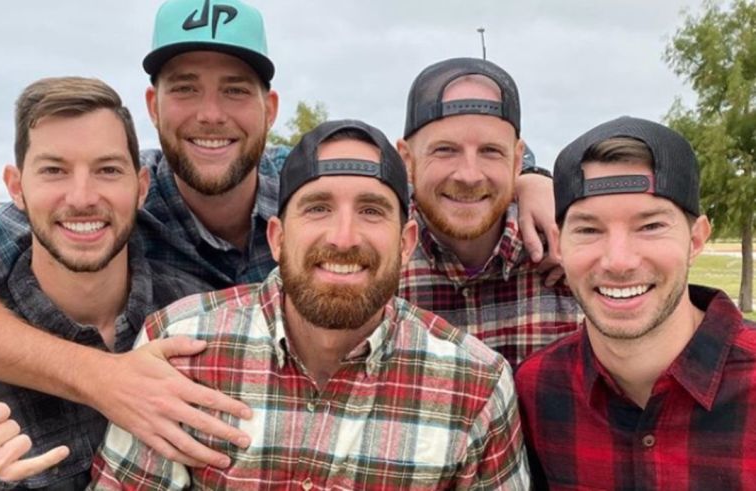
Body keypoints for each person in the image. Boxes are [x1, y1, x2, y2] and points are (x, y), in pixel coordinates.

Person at [0, 0, 554, 468]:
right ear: (154, 105)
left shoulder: (304, 189)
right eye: (186, 88)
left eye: (235, 90)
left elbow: (426, 171)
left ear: (269, 110)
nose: (211, 114)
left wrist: (529, 177)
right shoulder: (107, 201)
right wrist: (101, 376)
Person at [89, 119, 529, 490]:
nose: (343, 237)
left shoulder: (475, 386)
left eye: (372, 211)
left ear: (406, 242)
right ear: (278, 238)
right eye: (318, 208)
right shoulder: (180, 345)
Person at [0, 77, 191, 488]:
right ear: (16, 188)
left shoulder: (194, 320)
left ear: (141, 187)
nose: (82, 197)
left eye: (108, 170)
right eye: (54, 171)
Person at [514, 116, 756, 489]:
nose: (619, 261)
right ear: (560, 243)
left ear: (695, 240)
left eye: (650, 226)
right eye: (589, 230)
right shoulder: (536, 390)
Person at [396, 57, 581, 369]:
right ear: (407, 160)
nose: (469, 175)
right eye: (445, 150)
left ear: (517, 160)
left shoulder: (568, 259)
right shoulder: (376, 270)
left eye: (490, 151)